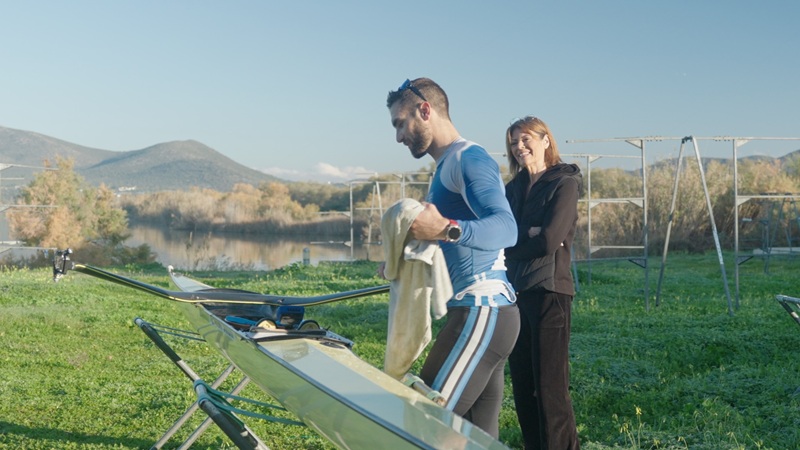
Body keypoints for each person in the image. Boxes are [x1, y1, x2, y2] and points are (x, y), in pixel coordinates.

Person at [384, 77, 520, 438]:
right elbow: (453, 240)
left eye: (401, 123)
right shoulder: (445, 166)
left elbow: (507, 228)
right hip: (486, 313)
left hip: (483, 310)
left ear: (424, 110)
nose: (398, 136)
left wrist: (445, 228)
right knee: (474, 438)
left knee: (419, 425)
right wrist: (408, 256)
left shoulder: (469, 159)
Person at [503, 116, 582, 449]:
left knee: (550, 390)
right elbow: (500, 235)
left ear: (545, 140)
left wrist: (517, 238)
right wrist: (524, 233)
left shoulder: (564, 183)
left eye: (525, 139)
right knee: (523, 387)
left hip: (550, 294)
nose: (519, 147)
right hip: (514, 294)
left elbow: (549, 241)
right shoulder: (513, 188)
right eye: (513, 143)